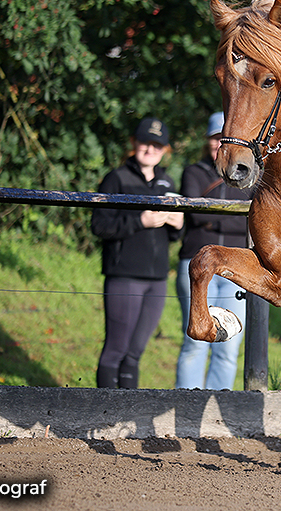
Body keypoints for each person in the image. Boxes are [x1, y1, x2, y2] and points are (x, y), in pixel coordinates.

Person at [91, 117, 184, 389]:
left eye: (157, 145)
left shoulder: (167, 183)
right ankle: (102, 414)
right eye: (145, 142)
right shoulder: (116, 179)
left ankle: (127, 417)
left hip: (156, 280)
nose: (150, 149)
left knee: (134, 354)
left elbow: (172, 234)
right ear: (134, 143)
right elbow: (100, 225)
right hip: (124, 275)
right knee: (116, 350)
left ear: (164, 149)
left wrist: (178, 226)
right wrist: (138, 222)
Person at [175, 112, 254, 390]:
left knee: (229, 345)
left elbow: (254, 220)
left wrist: (214, 215)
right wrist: (236, 218)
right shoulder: (193, 173)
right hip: (196, 265)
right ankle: (185, 399)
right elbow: (196, 216)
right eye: (214, 138)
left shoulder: (249, 177)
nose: (219, 144)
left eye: (224, 138)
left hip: (235, 269)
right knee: (194, 342)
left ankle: (218, 401)